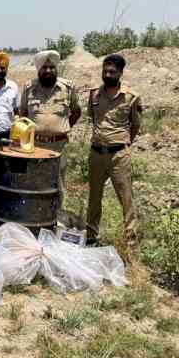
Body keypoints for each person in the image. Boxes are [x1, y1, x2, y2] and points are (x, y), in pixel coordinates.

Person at [86, 54, 142, 247]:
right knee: (94, 198)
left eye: (112, 71)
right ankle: (91, 236)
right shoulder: (94, 94)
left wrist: (122, 144)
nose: (107, 74)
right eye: (105, 70)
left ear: (120, 73)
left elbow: (135, 125)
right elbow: (94, 119)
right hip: (96, 154)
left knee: (126, 199)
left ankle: (131, 241)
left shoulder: (131, 97)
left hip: (119, 156)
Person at [20, 50, 81, 188]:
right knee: (35, 182)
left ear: (56, 69)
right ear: (38, 70)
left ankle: (56, 210)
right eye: (44, 68)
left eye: (52, 67)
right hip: (34, 145)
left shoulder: (68, 88)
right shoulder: (29, 88)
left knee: (58, 185)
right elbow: (23, 114)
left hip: (59, 146)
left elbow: (76, 112)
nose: (48, 70)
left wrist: (62, 128)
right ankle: (36, 209)